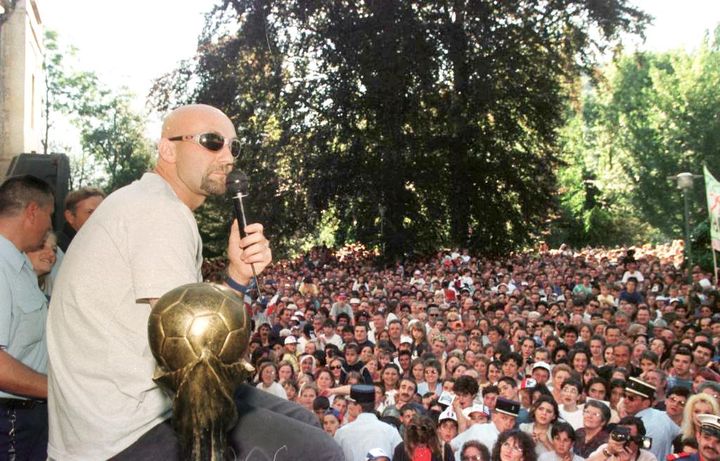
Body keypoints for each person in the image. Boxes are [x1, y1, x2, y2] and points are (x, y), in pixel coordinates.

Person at [46, 105, 341, 460]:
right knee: (319, 451)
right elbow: (196, 352)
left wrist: (237, 275)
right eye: (212, 142)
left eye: (234, 146)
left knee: (301, 418)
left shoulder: (149, 202)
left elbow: (193, 331)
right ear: (168, 149)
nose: (228, 156)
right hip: (125, 430)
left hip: (129, 408)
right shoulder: (160, 212)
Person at [0, 175, 55, 460]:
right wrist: (58, 389)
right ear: (33, 211)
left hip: (26, 419)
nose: (50, 225)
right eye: (50, 215)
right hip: (8, 421)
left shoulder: (18, 264)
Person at [334, 384, 402, 461]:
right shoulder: (390, 431)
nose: (350, 407)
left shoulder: (342, 433)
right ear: (373, 405)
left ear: (359, 408)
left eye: (352, 404)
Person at [622, 377, 679, 461]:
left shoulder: (642, 425)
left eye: (631, 398)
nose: (625, 401)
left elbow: (641, 455)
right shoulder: (662, 415)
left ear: (646, 403)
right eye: (624, 396)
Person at [450, 397, 521, 460]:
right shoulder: (478, 429)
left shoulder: (512, 440)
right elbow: (452, 445)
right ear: (494, 416)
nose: (508, 423)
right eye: (504, 418)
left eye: (512, 420)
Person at [56, 186, 104, 252]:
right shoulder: (55, 248)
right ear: (70, 217)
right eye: (90, 212)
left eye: (102, 211)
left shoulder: (103, 242)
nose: (99, 216)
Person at [585, 417, 657, 461]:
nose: (623, 441)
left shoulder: (648, 458)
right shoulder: (606, 449)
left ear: (639, 440)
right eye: (621, 435)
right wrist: (608, 452)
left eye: (629, 437)